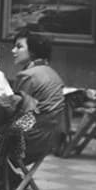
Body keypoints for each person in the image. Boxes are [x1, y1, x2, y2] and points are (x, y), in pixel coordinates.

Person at [11, 30, 65, 162]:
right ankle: (8, 179)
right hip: (53, 138)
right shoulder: (51, 72)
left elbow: (16, 111)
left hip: (32, 139)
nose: (13, 51)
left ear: (33, 51)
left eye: (19, 47)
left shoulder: (28, 75)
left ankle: (2, 179)